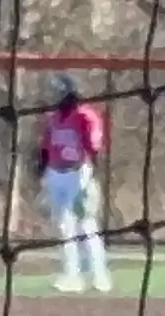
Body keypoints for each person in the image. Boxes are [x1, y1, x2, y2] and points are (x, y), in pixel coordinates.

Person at [33, 75, 112, 292]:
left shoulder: (85, 116)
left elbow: (94, 147)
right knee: (64, 226)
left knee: (85, 224)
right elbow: (46, 146)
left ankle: (99, 276)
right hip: (56, 173)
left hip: (78, 173)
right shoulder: (54, 118)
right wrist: (42, 169)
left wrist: (90, 174)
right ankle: (71, 275)